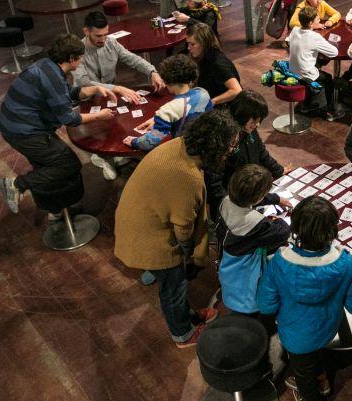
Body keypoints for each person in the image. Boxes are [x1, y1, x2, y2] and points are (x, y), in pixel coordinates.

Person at [114, 110, 242, 348]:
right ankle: (182, 334)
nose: (230, 152)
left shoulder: (178, 145)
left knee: (172, 282)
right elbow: (183, 228)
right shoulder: (188, 175)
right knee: (174, 286)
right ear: (215, 146)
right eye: (230, 147)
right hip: (150, 238)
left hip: (139, 220)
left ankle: (183, 311)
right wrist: (188, 256)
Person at [257, 196, 352, 401]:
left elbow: (266, 304)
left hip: (295, 337)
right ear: (332, 229)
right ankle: (323, 380)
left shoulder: (280, 263)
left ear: (296, 228)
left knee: (303, 376)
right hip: (327, 328)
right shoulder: (345, 262)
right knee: (317, 355)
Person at [0, 34, 116, 214]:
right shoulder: (52, 77)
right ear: (71, 59)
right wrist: (100, 115)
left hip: (14, 125)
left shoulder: (48, 66)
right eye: (80, 57)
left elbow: (68, 93)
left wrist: (95, 88)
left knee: (46, 165)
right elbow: (69, 119)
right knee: (68, 165)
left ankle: (56, 212)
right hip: (24, 131)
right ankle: (16, 185)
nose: (82, 61)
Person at [72, 11, 166, 180]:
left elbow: (132, 59)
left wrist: (153, 72)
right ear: (86, 31)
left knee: (116, 125)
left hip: (110, 97)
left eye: (105, 34)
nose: (103, 39)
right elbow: (83, 83)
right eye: (98, 35)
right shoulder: (77, 51)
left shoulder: (111, 43)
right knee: (97, 134)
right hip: (88, 100)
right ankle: (101, 157)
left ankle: (114, 151)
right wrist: (116, 88)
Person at [216, 165, 291, 315]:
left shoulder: (226, 201)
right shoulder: (255, 223)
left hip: (226, 262)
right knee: (249, 303)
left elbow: (248, 198)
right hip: (245, 274)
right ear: (258, 196)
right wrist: (277, 220)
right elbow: (281, 232)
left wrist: (275, 199)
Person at [205, 90, 289, 220]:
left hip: (251, 196)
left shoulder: (250, 130)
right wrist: (232, 209)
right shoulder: (224, 140)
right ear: (241, 115)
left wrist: (279, 170)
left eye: (260, 120)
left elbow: (261, 152)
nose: (258, 124)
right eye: (255, 120)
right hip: (233, 204)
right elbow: (215, 186)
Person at [123, 54, 212, 151]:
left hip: (184, 151)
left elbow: (149, 143)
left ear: (165, 81)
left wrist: (134, 141)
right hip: (206, 146)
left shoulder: (167, 111)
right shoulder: (203, 93)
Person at [288, 5, 339, 119]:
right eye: (317, 19)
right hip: (305, 74)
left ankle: (307, 104)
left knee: (316, 65)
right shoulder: (314, 37)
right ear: (311, 23)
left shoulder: (295, 30)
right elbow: (334, 53)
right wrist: (333, 43)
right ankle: (331, 111)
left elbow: (288, 41)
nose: (319, 20)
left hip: (292, 70)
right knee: (328, 79)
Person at [186, 22, 241, 106]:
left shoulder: (218, 63)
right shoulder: (202, 57)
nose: (188, 48)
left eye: (192, 44)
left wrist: (212, 102)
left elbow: (236, 90)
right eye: (188, 43)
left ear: (204, 43)